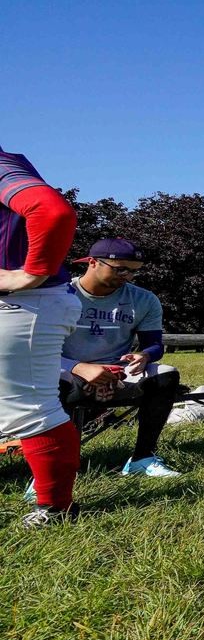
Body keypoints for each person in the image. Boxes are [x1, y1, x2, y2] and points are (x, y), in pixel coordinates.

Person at [0, 146, 81, 528]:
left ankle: (54, 509)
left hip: (25, 303)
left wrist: (32, 273)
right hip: (24, 303)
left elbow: (52, 211)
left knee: (31, 409)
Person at [58, 238, 182, 478]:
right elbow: (35, 349)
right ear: (92, 262)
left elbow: (154, 345)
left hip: (116, 371)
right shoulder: (61, 295)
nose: (128, 276)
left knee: (166, 374)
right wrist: (79, 368)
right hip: (64, 368)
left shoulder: (144, 300)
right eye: (120, 269)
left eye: (134, 271)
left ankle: (142, 458)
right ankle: (59, 467)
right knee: (54, 382)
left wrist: (143, 356)